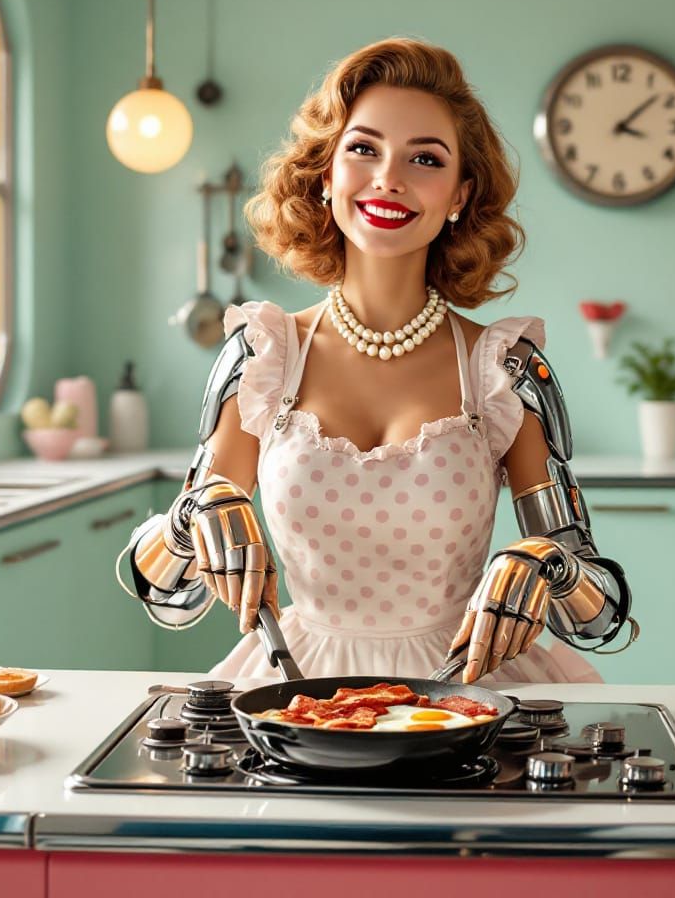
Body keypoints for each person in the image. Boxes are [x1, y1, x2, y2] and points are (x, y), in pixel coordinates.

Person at [124, 38, 634, 684]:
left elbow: (599, 617)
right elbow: (166, 590)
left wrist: (547, 564)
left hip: (470, 696)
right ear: (326, 175)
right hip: (296, 694)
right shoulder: (264, 356)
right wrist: (194, 514)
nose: (389, 178)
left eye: (425, 158)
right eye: (363, 149)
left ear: (459, 196)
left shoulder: (501, 368)